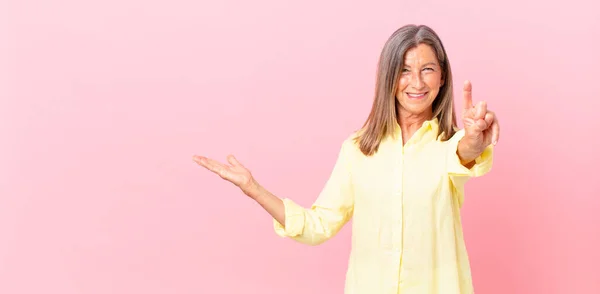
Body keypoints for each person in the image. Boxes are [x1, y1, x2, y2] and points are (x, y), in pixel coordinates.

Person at [193, 24, 499, 294]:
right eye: (404, 70)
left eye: (427, 69)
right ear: (389, 77)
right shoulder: (357, 149)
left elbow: (466, 154)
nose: (416, 83)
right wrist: (253, 188)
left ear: (442, 76)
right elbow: (317, 226)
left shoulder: (450, 144)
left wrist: (474, 140)